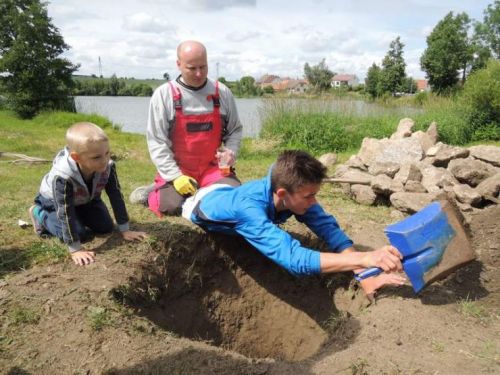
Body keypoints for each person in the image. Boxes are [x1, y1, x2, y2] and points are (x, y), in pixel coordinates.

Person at [182, 150, 406, 295]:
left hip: (227, 192)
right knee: (172, 200)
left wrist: (363, 274)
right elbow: (294, 259)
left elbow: (328, 229)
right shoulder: (248, 210)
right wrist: (366, 257)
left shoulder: (289, 183)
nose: (314, 201)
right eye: (309, 196)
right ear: (282, 193)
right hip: (200, 204)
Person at [130, 40, 242, 216]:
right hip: (179, 170)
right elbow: (157, 141)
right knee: (171, 207)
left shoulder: (222, 92)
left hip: (212, 168)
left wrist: (230, 151)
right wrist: (175, 176)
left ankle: (203, 189)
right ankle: (151, 192)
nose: (199, 74)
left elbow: (235, 130)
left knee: (234, 199)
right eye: (192, 68)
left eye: (203, 67)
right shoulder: (163, 95)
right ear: (179, 64)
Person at [29, 122, 148, 266]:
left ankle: (79, 217)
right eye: (96, 157)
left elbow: (115, 195)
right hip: (55, 202)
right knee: (79, 234)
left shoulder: (107, 166)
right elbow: (65, 211)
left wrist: (125, 229)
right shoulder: (63, 176)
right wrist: (75, 249)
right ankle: (39, 213)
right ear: (76, 157)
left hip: (86, 199)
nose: (104, 160)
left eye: (107, 153)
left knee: (106, 227)